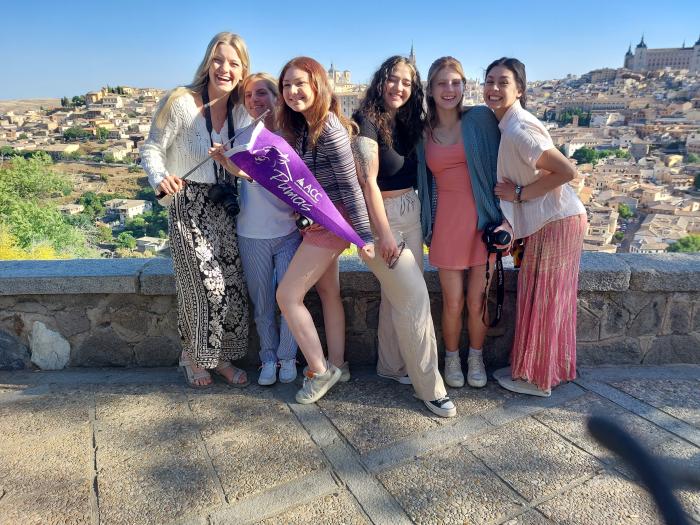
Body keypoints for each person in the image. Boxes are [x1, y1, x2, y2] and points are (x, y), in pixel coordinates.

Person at [141, 32, 252, 388]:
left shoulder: (240, 111)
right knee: (204, 286)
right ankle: (192, 355)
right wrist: (161, 179)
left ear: (242, 70)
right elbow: (152, 148)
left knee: (232, 286)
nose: (225, 68)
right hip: (188, 203)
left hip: (224, 205)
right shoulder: (180, 102)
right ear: (207, 61)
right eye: (219, 60)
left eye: (234, 63)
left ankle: (219, 358)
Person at [352, 56, 456, 418]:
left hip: (410, 213)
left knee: (396, 295)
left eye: (406, 82)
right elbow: (368, 184)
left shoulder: (410, 124)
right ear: (380, 81)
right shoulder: (366, 122)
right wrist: (383, 236)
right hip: (381, 219)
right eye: (392, 79)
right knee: (415, 301)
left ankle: (392, 366)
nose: (398, 87)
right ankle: (431, 388)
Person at [274, 57, 374, 404]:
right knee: (329, 292)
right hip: (319, 221)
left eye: (300, 83)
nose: (292, 91)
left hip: (331, 224)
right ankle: (339, 364)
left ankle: (320, 371)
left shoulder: (328, 128)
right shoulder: (303, 127)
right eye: (286, 85)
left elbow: (350, 188)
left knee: (287, 295)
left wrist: (365, 238)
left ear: (318, 85)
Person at [485, 57, 587, 397]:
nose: (494, 88)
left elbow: (566, 171)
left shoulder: (518, 129)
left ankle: (537, 379)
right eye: (489, 81)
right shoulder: (509, 124)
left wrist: (518, 194)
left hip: (556, 219)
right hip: (554, 219)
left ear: (520, 90)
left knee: (544, 296)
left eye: (503, 82)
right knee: (546, 296)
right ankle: (543, 369)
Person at [416, 56, 510, 390]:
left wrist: (510, 213)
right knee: (453, 301)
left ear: (464, 86)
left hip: (483, 222)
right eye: (442, 83)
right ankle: (452, 359)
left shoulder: (481, 119)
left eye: (456, 82)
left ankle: (476, 357)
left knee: (477, 300)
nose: (450, 89)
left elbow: (510, 152)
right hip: (446, 224)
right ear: (430, 88)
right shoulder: (423, 132)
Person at [231, 73, 302, 385]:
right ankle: (268, 358)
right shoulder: (240, 137)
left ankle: (288, 357)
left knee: (290, 301)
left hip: (288, 231)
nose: (254, 100)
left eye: (261, 93)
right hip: (251, 233)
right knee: (262, 304)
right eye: (248, 95)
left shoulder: (292, 137)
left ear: (277, 97)